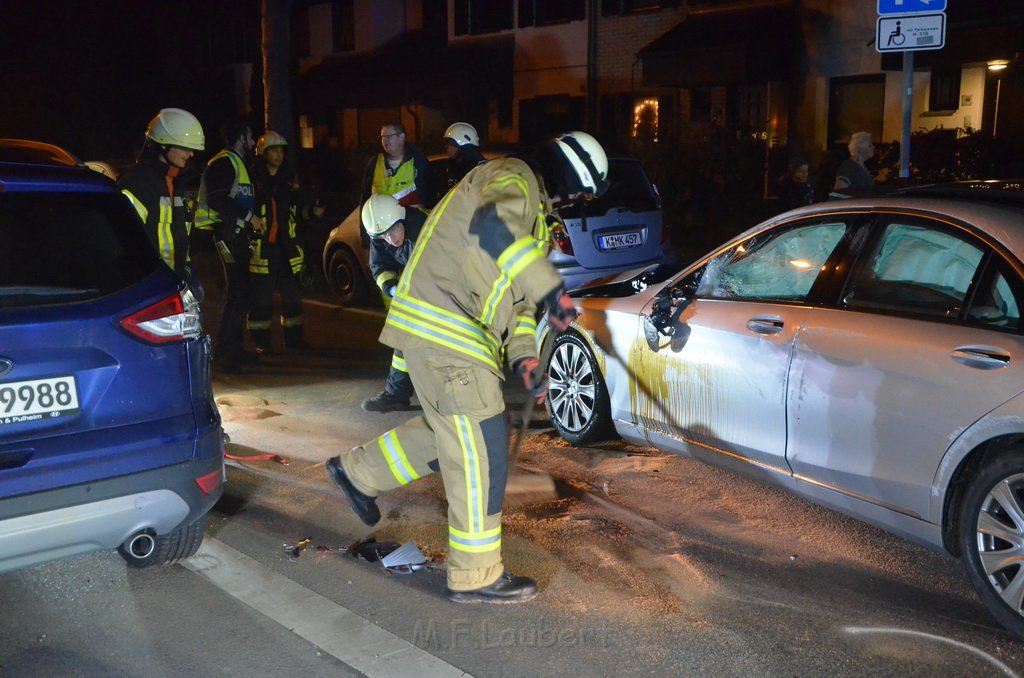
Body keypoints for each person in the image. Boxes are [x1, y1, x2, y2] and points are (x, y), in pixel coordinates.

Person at [325, 130, 609, 604]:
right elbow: (492, 227)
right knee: (480, 444)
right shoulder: (513, 176)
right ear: (566, 175)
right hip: (447, 326)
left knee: (452, 433)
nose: (575, 202)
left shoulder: (534, 219)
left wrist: (525, 357)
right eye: (579, 192)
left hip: (456, 332)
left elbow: (516, 301)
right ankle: (475, 574)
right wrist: (549, 288)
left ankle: (357, 473)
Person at [246, 130, 325, 354]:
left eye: (281, 151)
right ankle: (261, 343)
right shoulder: (253, 181)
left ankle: (294, 341)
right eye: (274, 151)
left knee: (292, 299)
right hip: (262, 250)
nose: (279, 155)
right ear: (263, 153)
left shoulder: (290, 180)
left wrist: (313, 211)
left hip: (288, 249)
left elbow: (300, 210)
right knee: (262, 301)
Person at [196, 119, 262, 374]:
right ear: (240, 138)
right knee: (237, 293)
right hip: (225, 235)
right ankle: (225, 351)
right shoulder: (224, 163)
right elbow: (217, 199)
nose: (253, 141)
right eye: (250, 136)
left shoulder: (237, 164)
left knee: (241, 293)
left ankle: (233, 347)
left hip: (235, 236)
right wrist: (248, 218)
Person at [119, 108, 206, 299]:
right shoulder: (138, 183)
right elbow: (127, 240)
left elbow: (181, 234)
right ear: (163, 145)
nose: (191, 154)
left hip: (175, 281)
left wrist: (188, 269)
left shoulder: (178, 182)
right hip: (150, 287)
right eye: (185, 147)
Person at [359, 193, 428, 413]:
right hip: (419, 293)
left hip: (448, 290)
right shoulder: (381, 233)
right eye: (383, 236)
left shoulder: (425, 229)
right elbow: (379, 266)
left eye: (393, 231)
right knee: (404, 335)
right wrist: (391, 287)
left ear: (402, 218)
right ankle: (396, 394)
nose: (390, 239)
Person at [358, 122, 433, 243]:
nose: (385, 141)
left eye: (389, 136)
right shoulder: (375, 164)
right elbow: (365, 198)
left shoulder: (418, 161)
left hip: (411, 233)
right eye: (382, 137)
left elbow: (430, 196)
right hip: (381, 235)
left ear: (401, 137)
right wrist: (364, 234)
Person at [442, 121, 486, 190]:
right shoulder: (455, 166)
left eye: (449, 143)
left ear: (461, 146)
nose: (446, 146)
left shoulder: (474, 172)